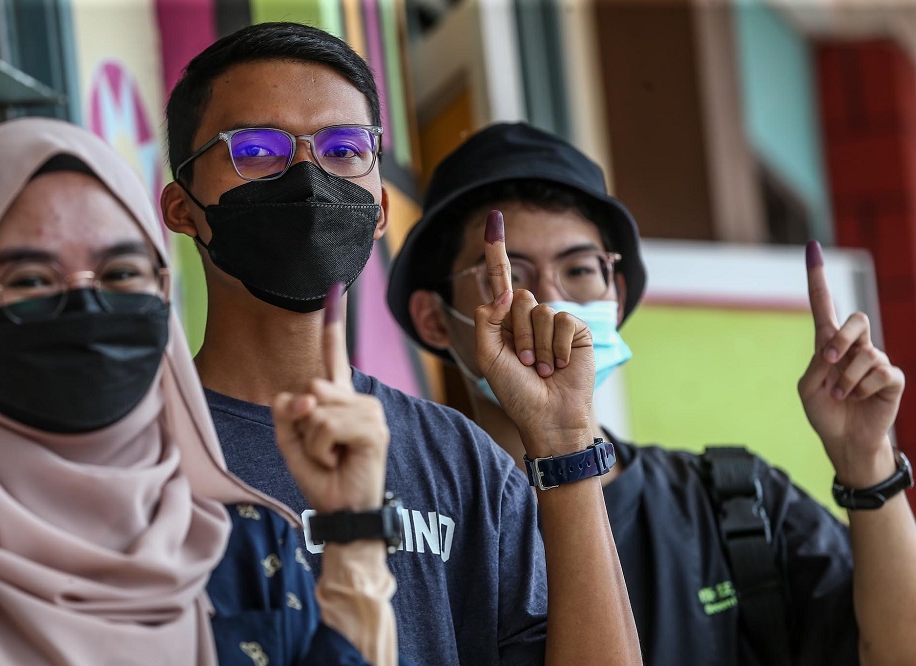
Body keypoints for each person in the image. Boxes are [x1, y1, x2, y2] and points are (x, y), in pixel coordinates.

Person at [160, 21, 641, 665]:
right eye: (256, 149)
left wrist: (562, 442)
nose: (307, 174)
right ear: (180, 208)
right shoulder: (142, 448)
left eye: (343, 148)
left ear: (380, 208)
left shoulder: (460, 460)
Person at [387, 121, 916, 666]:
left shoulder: (737, 506)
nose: (549, 302)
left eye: (579, 269)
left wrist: (867, 460)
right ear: (433, 319)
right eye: (508, 276)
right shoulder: (414, 536)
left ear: (615, 298)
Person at [0, 116, 401, 665]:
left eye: (121, 273)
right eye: (30, 281)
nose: (87, 308)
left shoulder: (245, 542)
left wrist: (355, 540)